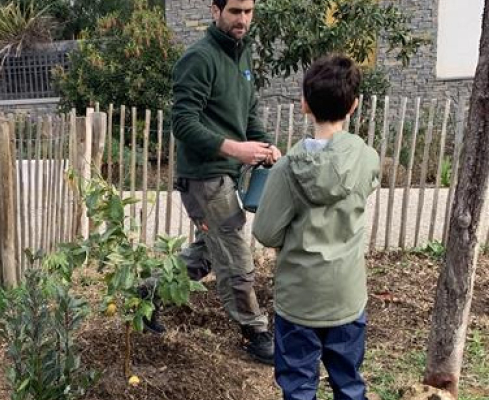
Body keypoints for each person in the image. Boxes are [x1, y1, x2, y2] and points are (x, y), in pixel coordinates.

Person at [145, 0, 281, 365]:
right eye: (235, 10)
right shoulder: (199, 58)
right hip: (204, 176)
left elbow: (247, 113)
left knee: (208, 250)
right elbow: (184, 123)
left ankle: (145, 293)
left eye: (249, 11)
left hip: (225, 173)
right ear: (214, 10)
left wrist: (265, 145)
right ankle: (255, 332)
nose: (243, 19)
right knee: (235, 251)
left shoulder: (241, 57)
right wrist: (236, 150)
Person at [252, 54, 380, 400]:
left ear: (304, 104)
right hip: (346, 296)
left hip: (300, 300)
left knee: (298, 386)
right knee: (349, 384)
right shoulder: (367, 158)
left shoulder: (287, 169)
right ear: (354, 105)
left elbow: (265, 232)